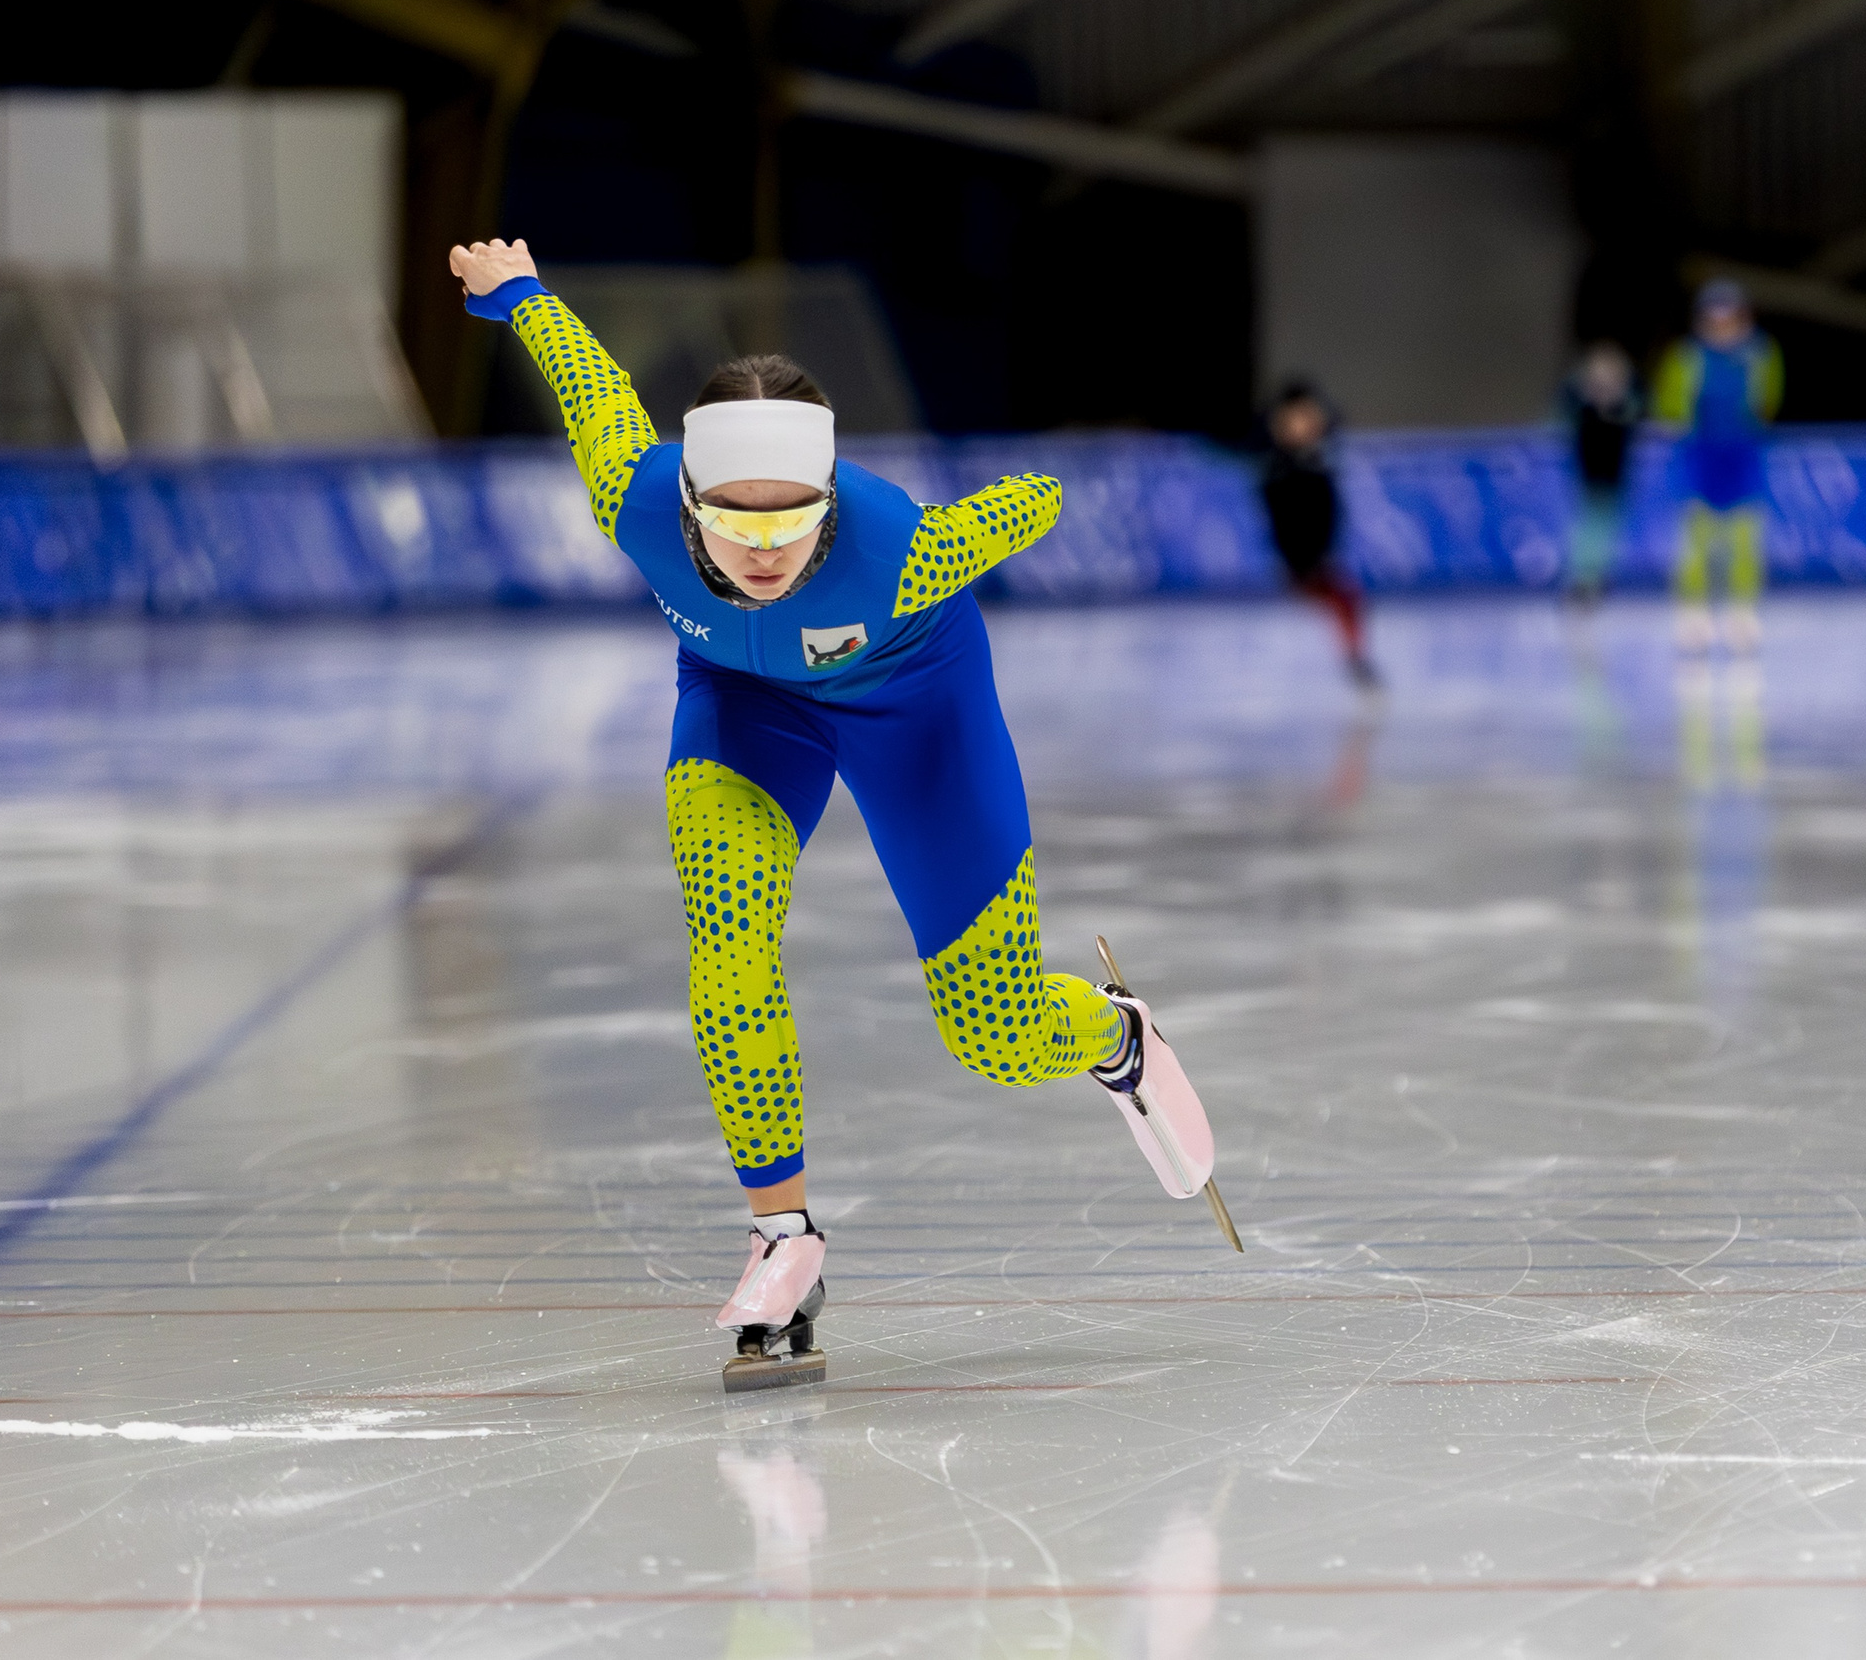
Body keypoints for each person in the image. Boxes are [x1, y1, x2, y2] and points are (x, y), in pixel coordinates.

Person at [446, 237, 1231, 1391]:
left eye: (792, 524)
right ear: (685, 503)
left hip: (916, 708)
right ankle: (782, 1234)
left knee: (996, 1035)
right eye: (734, 524)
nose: (763, 553)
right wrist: (518, 292)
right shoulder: (630, 497)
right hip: (745, 709)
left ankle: (1113, 1037)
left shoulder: (906, 550)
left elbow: (1041, 498)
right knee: (726, 940)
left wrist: (1057, 480)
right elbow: (591, 387)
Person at [1654, 279, 1782, 653]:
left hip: (1743, 458)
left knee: (1744, 541)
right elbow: (1669, 405)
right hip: (1699, 459)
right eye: (1714, 320)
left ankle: (1742, 615)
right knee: (1696, 541)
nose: (1722, 328)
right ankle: (1693, 617)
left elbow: (1768, 400)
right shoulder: (1686, 357)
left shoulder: (1761, 354)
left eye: (1729, 320)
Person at [1259, 380, 1378, 688]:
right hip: (1301, 562)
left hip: (1315, 559)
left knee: (1346, 599)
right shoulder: (1279, 471)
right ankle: (1354, 661)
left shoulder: (1318, 461)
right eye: (1298, 418)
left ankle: (1355, 659)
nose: (1307, 424)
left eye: (1310, 416)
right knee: (1342, 598)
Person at [1561, 340, 1640, 607]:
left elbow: (1634, 413)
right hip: (1591, 480)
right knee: (1591, 527)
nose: (1604, 387)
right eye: (1598, 381)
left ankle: (1597, 576)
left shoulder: (1624, 411)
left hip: (1614, 479)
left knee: (1607, 527)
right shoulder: (1584, 411)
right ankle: (1584, 578)